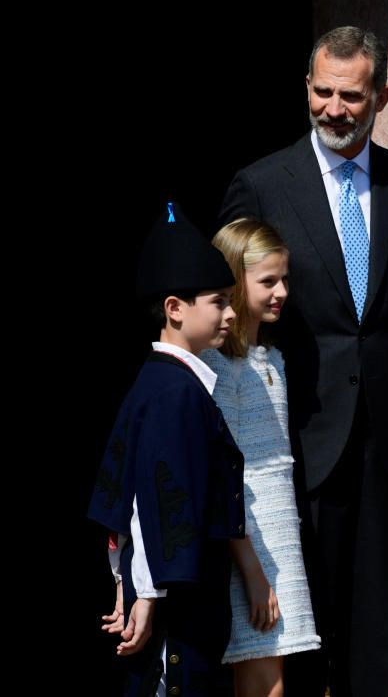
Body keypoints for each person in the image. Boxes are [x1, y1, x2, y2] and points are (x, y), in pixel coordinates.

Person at [220, 26, 388, 695]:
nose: (334, 109)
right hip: (293, 442)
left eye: (351, 96)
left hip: (384, 445)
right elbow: (230, 319)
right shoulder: (261, 185)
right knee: (299, 624)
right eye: (322, 93)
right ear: (307, 88)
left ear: (381, 95)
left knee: (373, 627)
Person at [89, 203, 245, 696]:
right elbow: (150, 500)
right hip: (179, 606)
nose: (231, 314)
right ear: (175, 309)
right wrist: (148, 594)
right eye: (218, 302)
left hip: (169, 595)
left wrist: (127, 582)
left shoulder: (163, 383)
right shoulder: (173, 392)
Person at [201, 219, 322, 697]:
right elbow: (225, 473)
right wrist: (250, 568)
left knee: (274, 673)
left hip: (277, 537)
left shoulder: (270, 359)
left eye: (284, 279)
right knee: (258, 671)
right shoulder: (218, 366)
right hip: (248, 542)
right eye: (268, 280)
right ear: (235, 278)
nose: (282, 292)